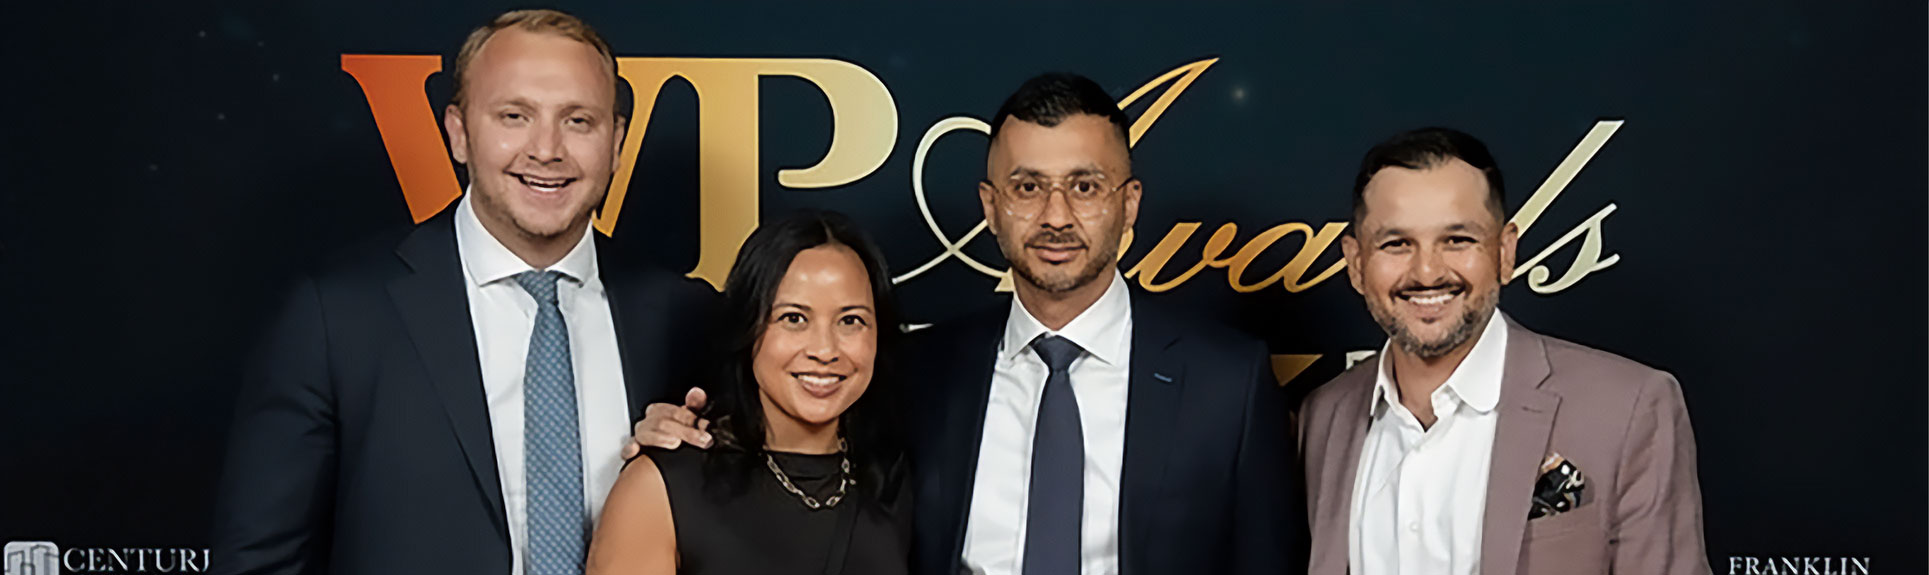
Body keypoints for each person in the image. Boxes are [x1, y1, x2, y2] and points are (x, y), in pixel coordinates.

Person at [634, 73, 1304, 575]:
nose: (1055, 215)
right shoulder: (920, 370)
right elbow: (794, 459)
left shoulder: (1226, 380)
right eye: (1026, 185)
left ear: (1128, 204)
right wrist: (684, 435)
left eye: (1085, 185)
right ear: (990, 205)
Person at [210, 10, 715, 575]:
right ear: (458, 132)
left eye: (578, 121)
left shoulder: (685, 318)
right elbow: (258, 562)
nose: (546, 149)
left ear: (616, 141)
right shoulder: (338, 316)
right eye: (514, 116)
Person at [1297, 127, 1710, 575]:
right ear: (1357, 265)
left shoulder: (1629, 409)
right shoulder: (1322, 419)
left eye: (1457, 240)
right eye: (1396, 243)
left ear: (1505, 252)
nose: (1428, 271)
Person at [587, 210, 911, 575]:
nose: (825, 350)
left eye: (851, 321)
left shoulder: (902, 481)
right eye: (794, 318)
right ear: (749, 327)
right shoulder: (662, 487)